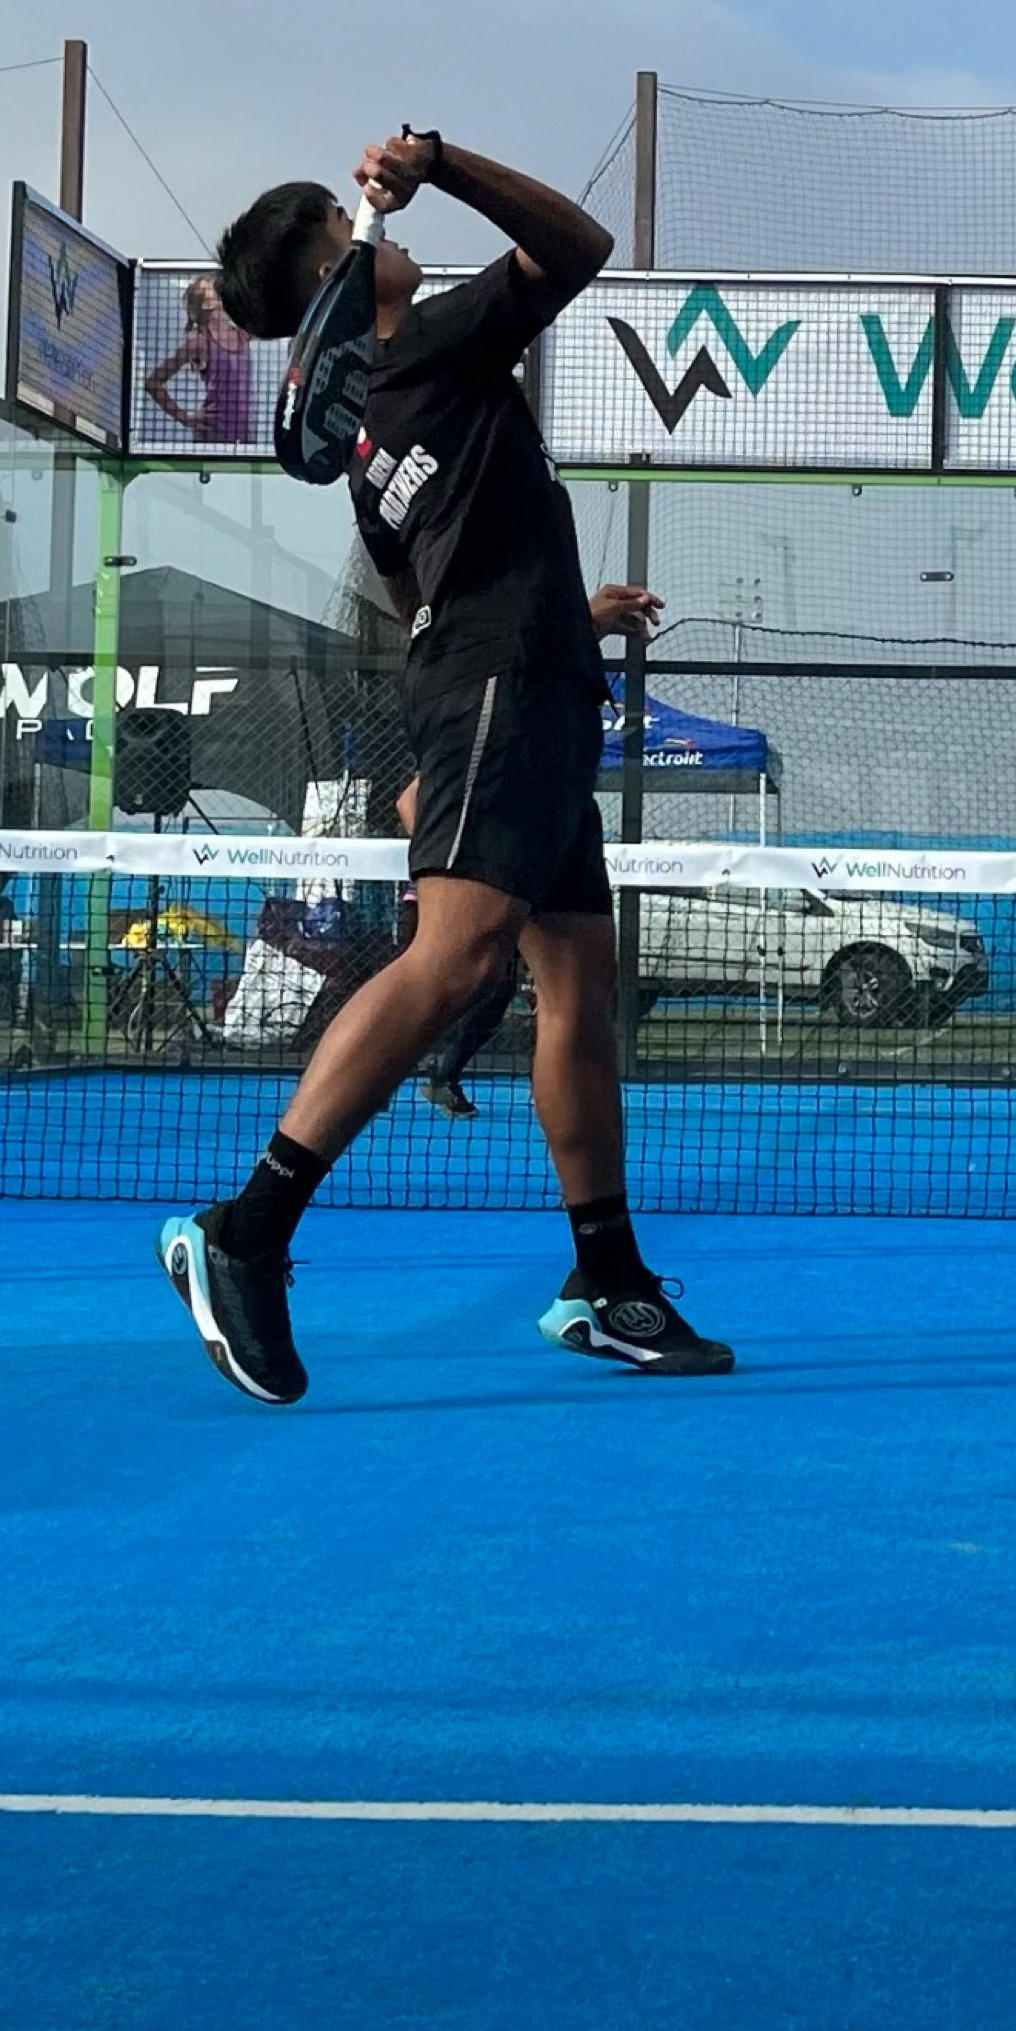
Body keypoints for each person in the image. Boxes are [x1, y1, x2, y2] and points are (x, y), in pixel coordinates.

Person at [155, 126, 733, 1402]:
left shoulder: (373, 437)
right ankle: (245, 1229)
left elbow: (430, 590)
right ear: (336, 272)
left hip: (526, 680)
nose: (389, 231)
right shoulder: (425, 343)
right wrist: (445, 162)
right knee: (457, 958)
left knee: (576, 979)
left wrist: (568, 618)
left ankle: (607, 1281)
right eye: (353, 223)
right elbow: (579, 246)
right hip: (502, 691)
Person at [402, 581, 661, 1117]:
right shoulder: (481, 703)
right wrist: (457, 869)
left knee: (566, 993)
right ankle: (308, 1143)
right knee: (450, 985)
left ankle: (475, 1081)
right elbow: (411, 801)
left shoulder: (548, 721)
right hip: (485, 877)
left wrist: (587, 626)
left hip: (536, 863)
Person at [142, 273, 255, 447]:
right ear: (206, 303)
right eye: (211, 288)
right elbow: (153, 382)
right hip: (213, 437)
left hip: (246, 438)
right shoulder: (199, 340)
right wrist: (185, 418)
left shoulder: (242, 333)